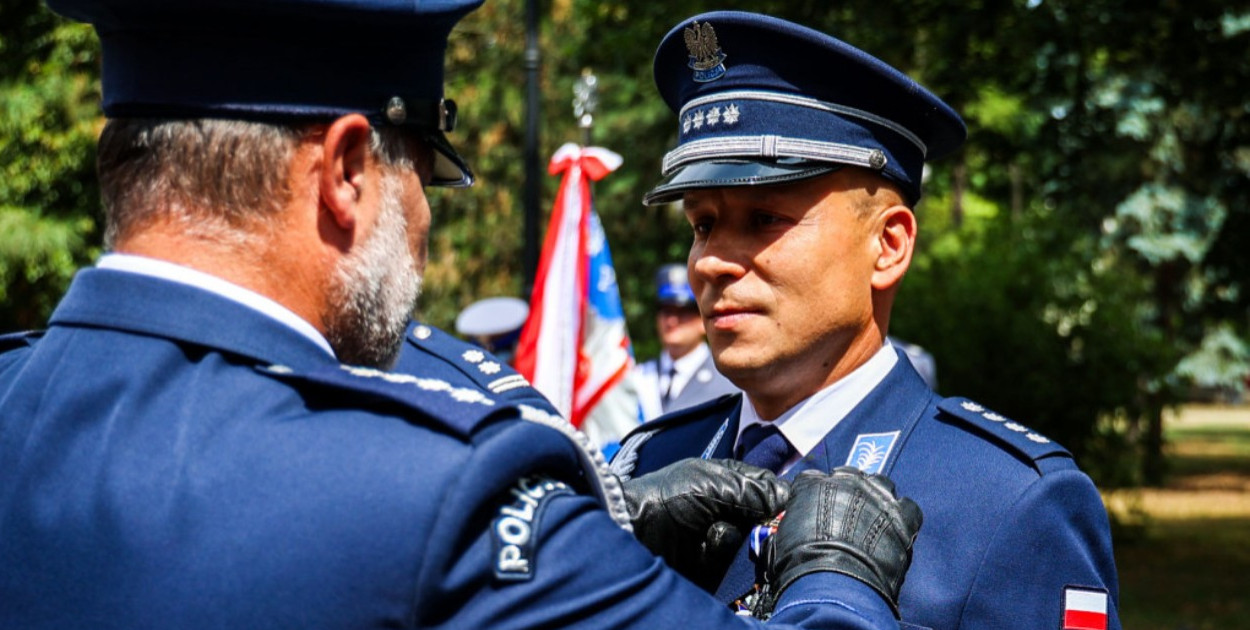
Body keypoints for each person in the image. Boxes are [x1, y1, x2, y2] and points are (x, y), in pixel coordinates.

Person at [0, 1, 926, 628]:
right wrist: (836, 578)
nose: (428, 221)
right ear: (348, 172)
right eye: (425, 176)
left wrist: (599, 526)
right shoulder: (440, 496)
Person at [611, 11, 1121, 630]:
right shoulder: (651, 467)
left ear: (889, 246)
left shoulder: (1009, 503)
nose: (712, 261)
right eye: (703, 225)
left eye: (765, 218)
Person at [634, 263, 738, 420]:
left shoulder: (730, 378)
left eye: (682, 312)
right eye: (665, 311)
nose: (671, 321)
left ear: (703, 319)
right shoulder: (638, 376)